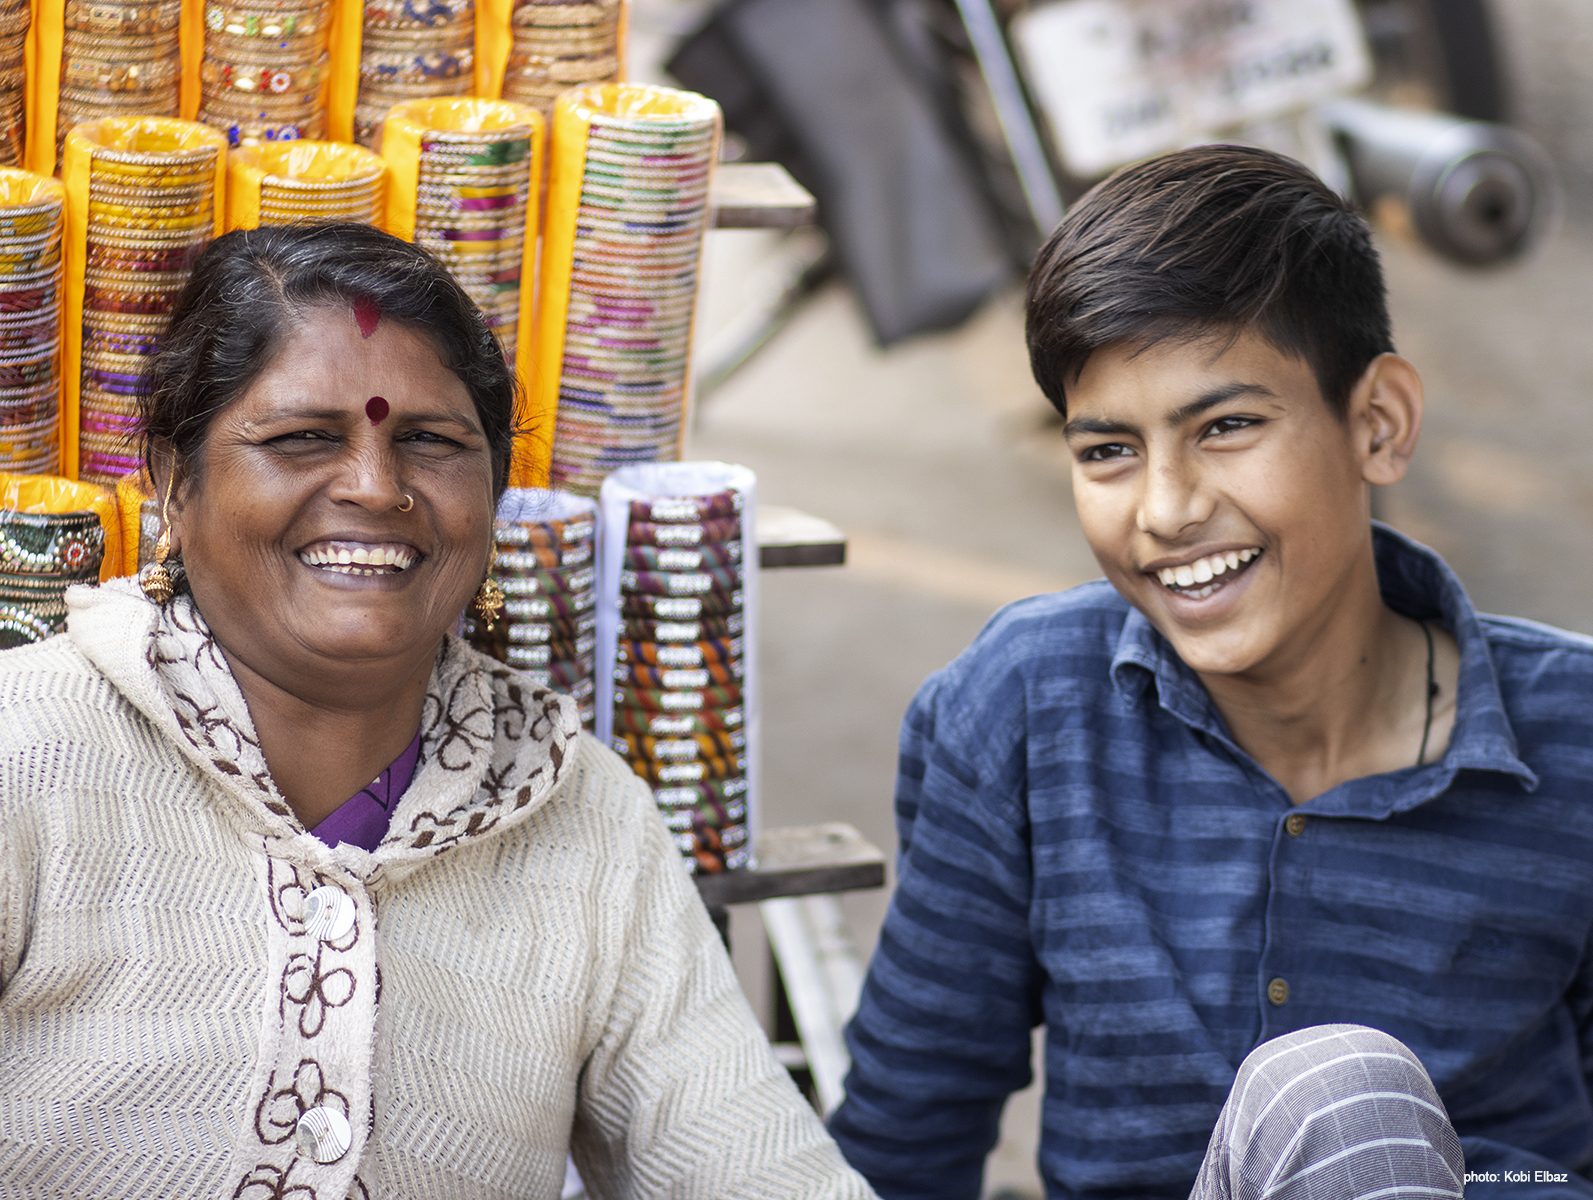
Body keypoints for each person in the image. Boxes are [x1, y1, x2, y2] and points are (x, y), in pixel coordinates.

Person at [0, 223, 873, 1200]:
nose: (376, 487)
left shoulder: (583, 818)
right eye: (301, 439)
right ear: (172, 478)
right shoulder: (25, 754)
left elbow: (751, 1165)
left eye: (431, 442)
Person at [828, 145, 1593, 1200]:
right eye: (1108, 451)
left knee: (1343, 1104)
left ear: (1377, 423)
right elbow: (903, 1139)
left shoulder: (1577, 732)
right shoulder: (1022, 706)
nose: (1166, 508)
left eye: (1226, 427)